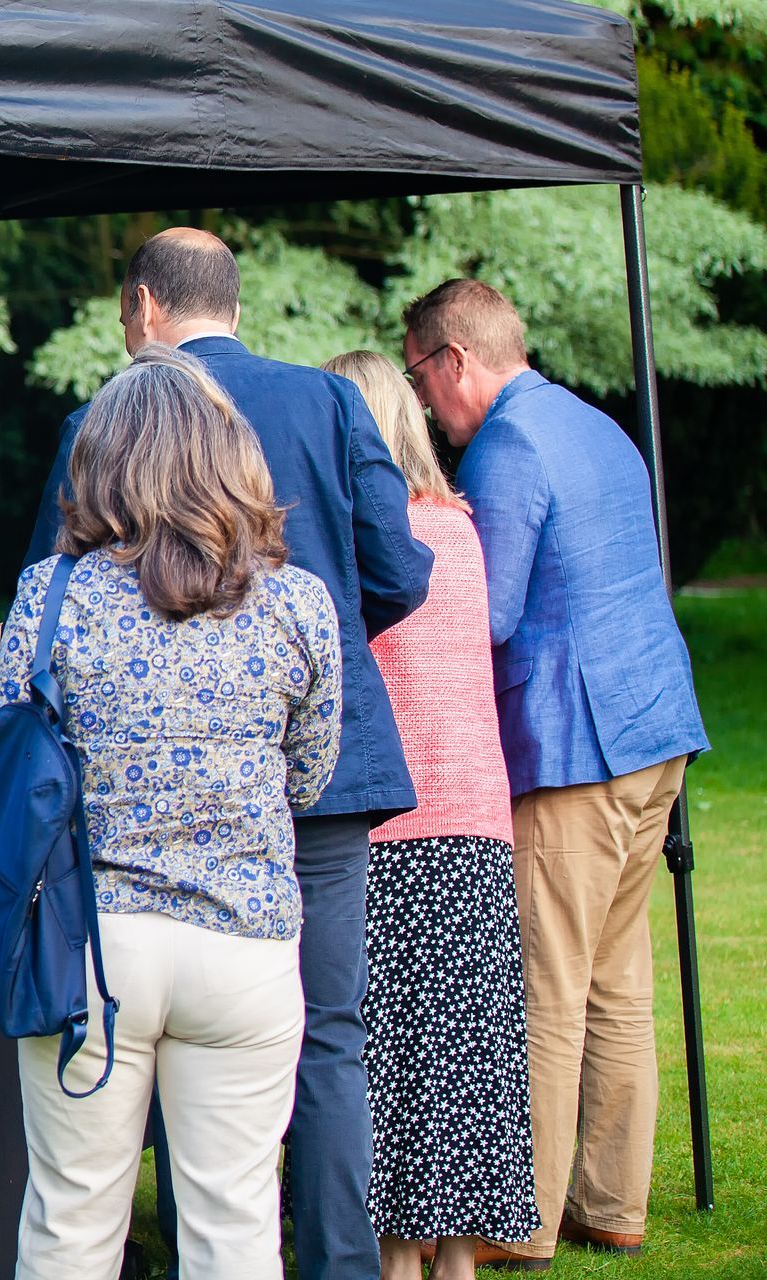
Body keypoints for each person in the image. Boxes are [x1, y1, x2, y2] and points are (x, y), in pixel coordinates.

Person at [24, 228, 433, 1280]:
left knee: (76, 1201)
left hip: (113, 892)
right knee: (326, 1043)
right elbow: (395, 571)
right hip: (301, 800)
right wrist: (292, 665)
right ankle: (342, 1264)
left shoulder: (93, 444)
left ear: (147, 307)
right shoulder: (332, 410)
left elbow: (29, 682)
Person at [0, 345, 341, 1279]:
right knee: (236, 1224)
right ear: (233, 455)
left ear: (102, 463)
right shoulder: (299, 605)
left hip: (92, 945)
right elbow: (307, 781)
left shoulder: (51, 597)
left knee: (72, 1222)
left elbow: (5, 760)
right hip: (249, 940)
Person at [401, 280, 708, 1267]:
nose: (425, 407)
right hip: (656, 727)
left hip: (576, 745)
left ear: (453, 359)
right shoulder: (597, 425)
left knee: (545, 978)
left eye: (418, 376)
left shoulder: (504, 447)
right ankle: (612, 1203)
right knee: (618, 975)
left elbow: (483, 612)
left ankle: (515, 1220)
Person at [322, 350, 539, 1280]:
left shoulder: (366, 543)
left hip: (397, 825)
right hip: (479, 818)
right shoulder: (459, 529)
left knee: (394, 1057)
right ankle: (456, 1259)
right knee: (470, 1059)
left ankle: (396, 1255)